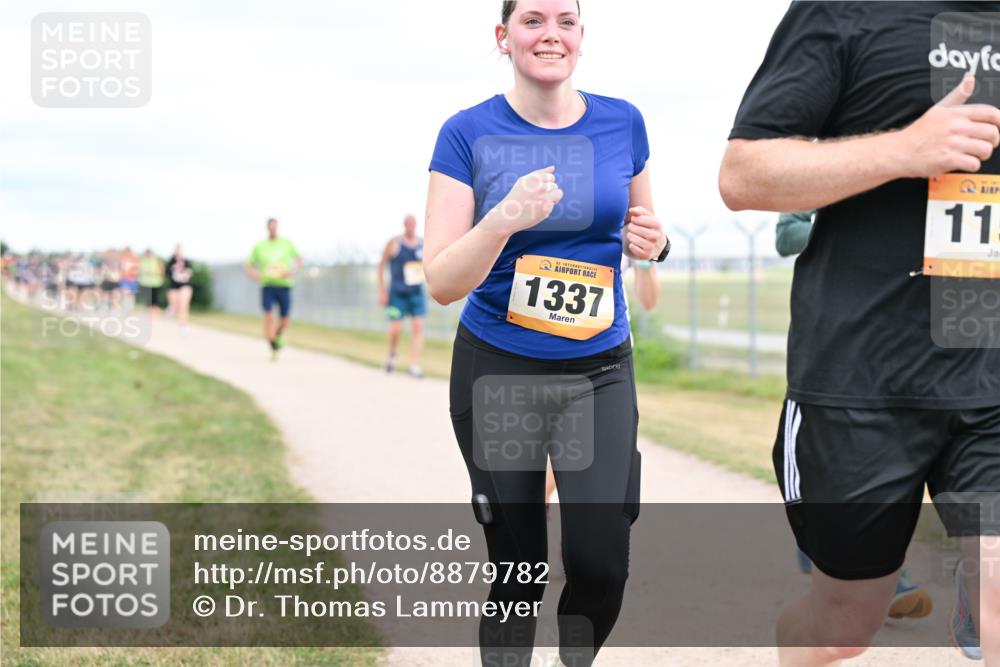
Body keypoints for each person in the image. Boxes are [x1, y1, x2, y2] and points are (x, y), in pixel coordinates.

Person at [720, 3, 1000, 664]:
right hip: (861, 378)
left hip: (989, 372)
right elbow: (743, 175)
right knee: (844, 625)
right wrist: (906, 150)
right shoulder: (847, 11)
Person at [424, 2, 669, 664]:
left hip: (600, 369)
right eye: (532, 19)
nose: (550, 33)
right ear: (503, 38)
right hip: (499, 370)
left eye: (566, 19)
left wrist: (657, 241)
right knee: (518, 567)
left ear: (582, 38)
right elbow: (443, 280)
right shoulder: (466, 133)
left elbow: (647, 228)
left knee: (601, 562)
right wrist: (501, 218)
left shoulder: (624, 122)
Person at [378, 214, 427, 377]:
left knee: (418, 328)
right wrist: (382, 290)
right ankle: (391, 356)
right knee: (395, 329)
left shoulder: (422, 244)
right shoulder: (394, 243)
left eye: (414, 224)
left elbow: (428, 267)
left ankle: (414, 365)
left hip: (416, 294)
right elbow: (381, 265)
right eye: (409, 224)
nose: (411, 227)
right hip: (397, 294)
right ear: (404, 225)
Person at [246, 218, 302, 359]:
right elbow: (248, 265)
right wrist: (256, 275)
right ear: (267, 228)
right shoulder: (260, 246)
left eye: (275, 227)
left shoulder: (286, 243)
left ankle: (277, 336)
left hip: (284, 285)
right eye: (270, 227)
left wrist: (292, 271)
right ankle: (272, 345)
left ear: (277, 228)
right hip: (268, 286)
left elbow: (299, 260)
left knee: (284, 321)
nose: (273, 230)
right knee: (269, 316)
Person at [165, 245, 193, 332]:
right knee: (175, 306)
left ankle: (183, 326)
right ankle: (171, 308)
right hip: (174, 287)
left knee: (183, 306)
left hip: (185, 285)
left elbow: (190, 272)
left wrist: (187, 273)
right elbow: (167, 273)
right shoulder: (171, 261)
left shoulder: (186, 261)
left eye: (180, 250)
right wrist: (173, 270)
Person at [138, 249, 165, 319]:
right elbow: (140, 271)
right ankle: (147, 314)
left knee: (155, 300)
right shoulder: (143, 261)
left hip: (156, 283)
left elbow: (162, 272)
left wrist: (150, 272)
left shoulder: (157, 261)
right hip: (146, 283)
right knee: (147, 300)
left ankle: (154, 315)